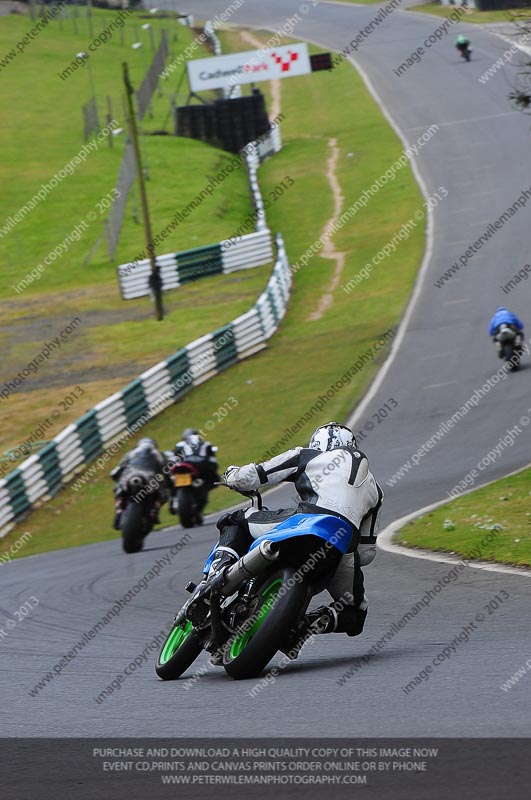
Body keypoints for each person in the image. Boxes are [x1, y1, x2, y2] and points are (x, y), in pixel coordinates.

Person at [210, 422, 383, 646]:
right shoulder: (376, 490)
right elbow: (367, 553)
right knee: (356, 614)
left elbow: (253, 477)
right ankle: (305, 626)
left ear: (316, 444)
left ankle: (216, 575)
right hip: (343, 544)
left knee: (236, 519)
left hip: (306, 521)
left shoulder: (306, 456)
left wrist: (232, 475)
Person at [111, 437, 170, 530]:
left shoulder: (131, 453)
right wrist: (168, 483)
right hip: (149, 477)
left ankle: (119, 510)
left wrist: (117, 477)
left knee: (118, 489)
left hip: (131, 475)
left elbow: (117, 470)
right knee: (163, 494)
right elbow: (167, 471)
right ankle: (153, 511)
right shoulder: (158, 454)